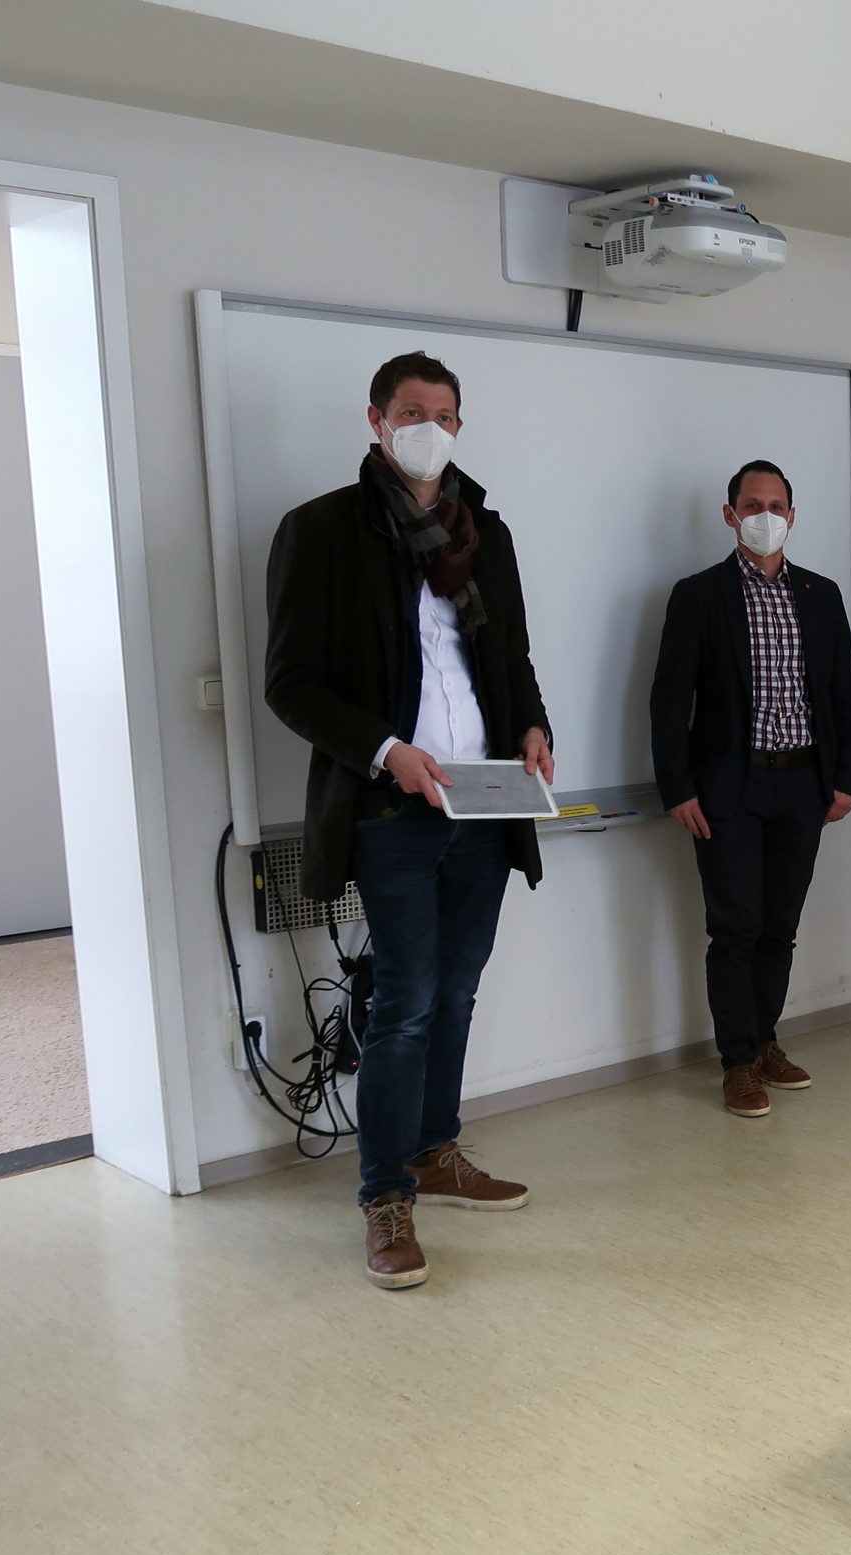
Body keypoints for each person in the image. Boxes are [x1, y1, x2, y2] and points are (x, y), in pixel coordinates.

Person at [265, 350, 551, 1290]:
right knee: (404, 1003)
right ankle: (384, 1194)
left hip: (488, 800)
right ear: (378, 420)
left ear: (460, 426)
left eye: (446, 414)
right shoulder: (321, 531)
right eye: (413, 412)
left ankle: (434, 1149)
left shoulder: (486, 532)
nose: (431, 427)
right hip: (392, 806)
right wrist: (389, 749)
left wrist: (534, 726)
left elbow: (510, 658)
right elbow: (291, 684)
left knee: (457, 990)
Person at [649, 460, 851, 1120]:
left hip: (803, 784)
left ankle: (765, 1040)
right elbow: (668, 700)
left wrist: (846, 779)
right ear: (730, 515)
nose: (764, 516)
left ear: (792, 516)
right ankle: (737, 1061)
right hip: (729, 788)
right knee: (734, 927)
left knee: (780, 926)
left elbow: (844, 694)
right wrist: (678, 787)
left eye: (776, 506)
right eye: (751, 505)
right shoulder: (699, 595)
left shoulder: (821, 594)